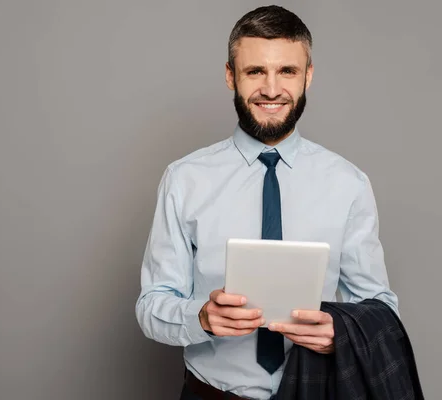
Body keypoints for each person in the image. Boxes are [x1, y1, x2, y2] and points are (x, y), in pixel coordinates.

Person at [135, 5, 399, 400]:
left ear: (308, 75)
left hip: (317, 391)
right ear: (231, 76)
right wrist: (201, 318)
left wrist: (340, 334)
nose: (272, 89)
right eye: (255, 71)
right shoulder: (184, 179)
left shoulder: (349, 184)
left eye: (287, 72)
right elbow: (151, 306)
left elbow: (380, 306)